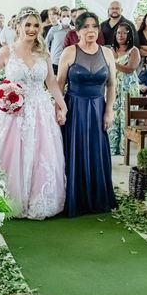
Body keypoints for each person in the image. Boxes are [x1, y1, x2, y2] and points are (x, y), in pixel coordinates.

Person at [0, 7, 67, 219]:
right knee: (11, 151)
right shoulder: (7, 51)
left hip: (40, 110)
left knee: (41, 153)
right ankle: (8, 198)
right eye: (28, 25)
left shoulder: (44, 52)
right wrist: (1, 95)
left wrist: (62, 105)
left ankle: (38, 199)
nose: (32, 29)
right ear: (18, 26)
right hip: (13, 111)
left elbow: (51, 82)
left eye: (36, 25)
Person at [57, 12, 118, 216]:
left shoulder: (107, 53)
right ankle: (76, 199)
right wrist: (60, 109)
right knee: (75, 151)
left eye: (94, 26)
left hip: (98, 107)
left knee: (96, 150)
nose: (90, 30)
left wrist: (109, 110)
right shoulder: (69, 52)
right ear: (77, 30)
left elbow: (112, 84)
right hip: (74, 108)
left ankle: (97, 198)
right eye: (85, 27)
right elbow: (59, 85)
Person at [108, 23, 140, 155]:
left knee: (126, 117)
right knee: (113, 116)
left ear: (129, 35)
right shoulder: (110, 50)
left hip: (128, 88)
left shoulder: (134, 51)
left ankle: (124, 148)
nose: (120, 35)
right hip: (113, 87)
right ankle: (111, 147)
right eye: (118, 33)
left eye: (123, 33)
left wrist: (112, 63)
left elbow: (130, 69)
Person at [46, 6, 71, 74]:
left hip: (70, 63)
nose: (66, 18)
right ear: (60, 17)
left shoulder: (74, 31)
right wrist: (49, 58)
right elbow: (45, 44)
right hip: (56, 63)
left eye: (68, 16)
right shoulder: (54, 29)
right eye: (64, 16)